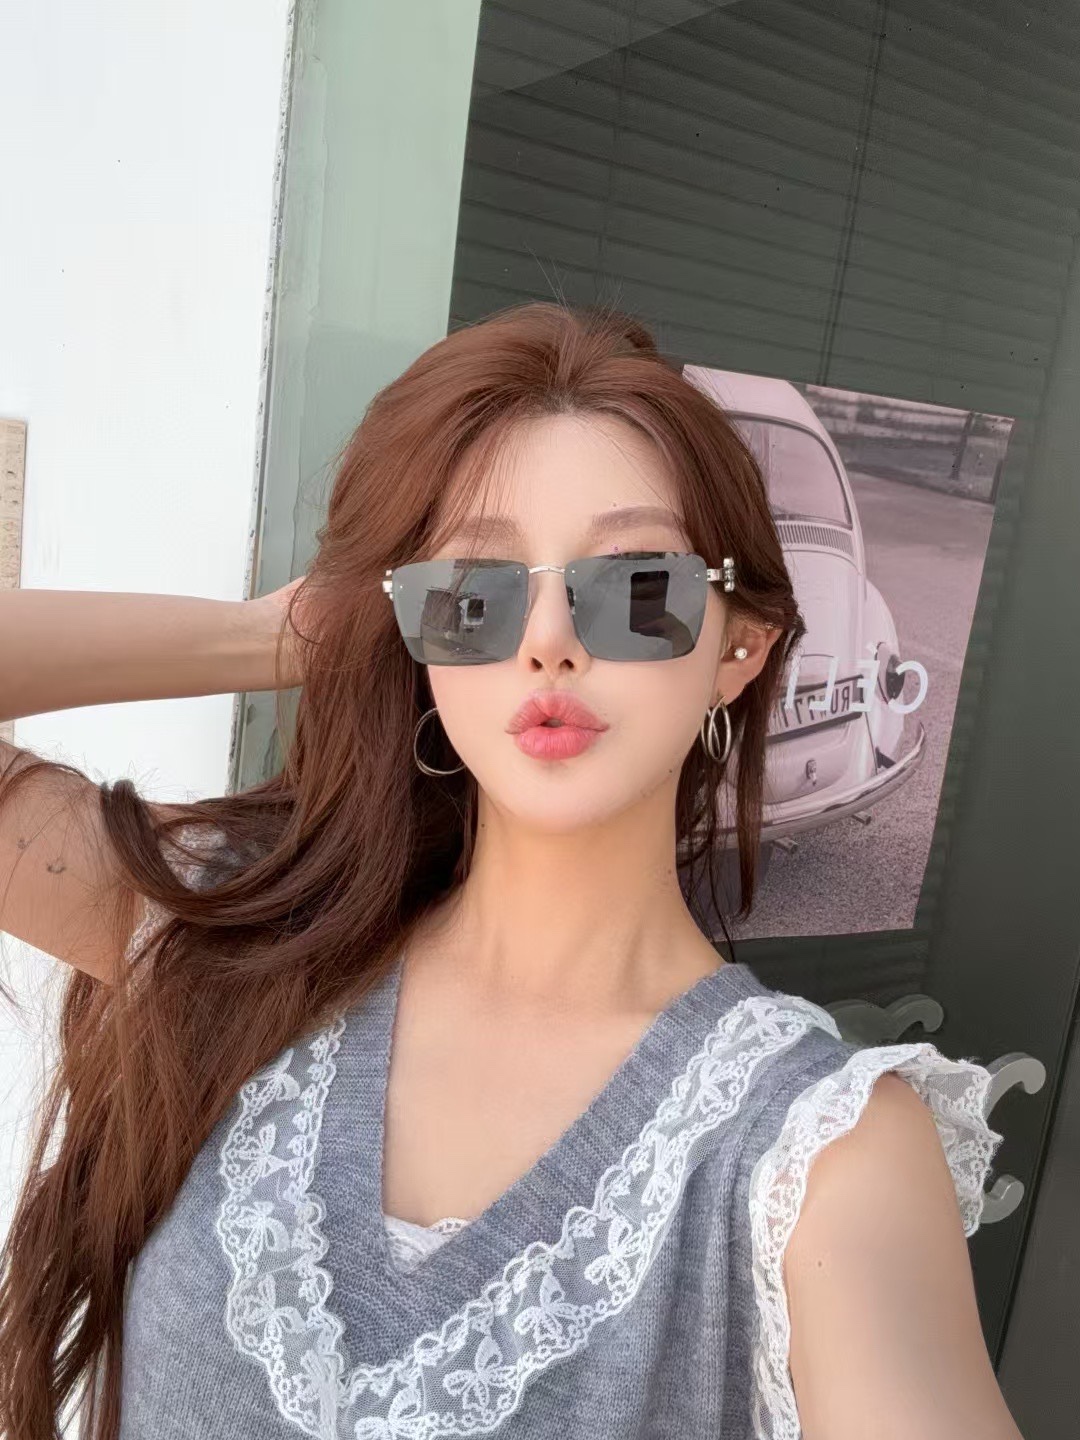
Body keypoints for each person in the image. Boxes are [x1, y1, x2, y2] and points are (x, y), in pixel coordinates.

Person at [0, 301, 1022, 1439]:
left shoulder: (820, 1163)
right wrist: (275, 636)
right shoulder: (242, 936)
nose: (547, 641)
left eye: (637, 586)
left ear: (739, 647)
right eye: (474, 593)